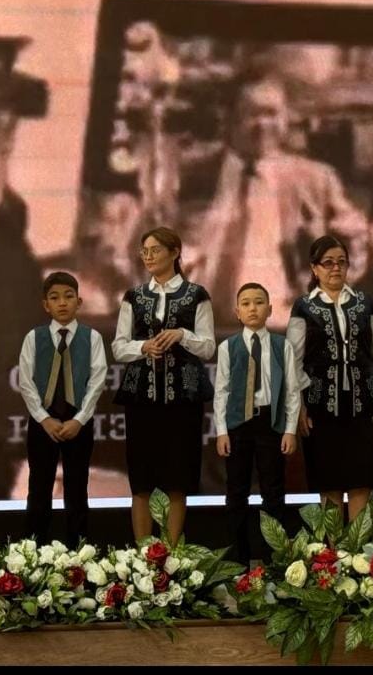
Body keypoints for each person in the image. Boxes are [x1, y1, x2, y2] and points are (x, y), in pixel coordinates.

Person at [189, 70, 367, 326]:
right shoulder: (194, 176)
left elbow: (356, 246)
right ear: (228, 119)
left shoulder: (316, 180)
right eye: (252, 114)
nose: (263, 125)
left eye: (272, 113)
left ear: (286, 118)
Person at [112, 227, 216, 542]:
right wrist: (143, 347)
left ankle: (171, 555)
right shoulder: (134, 296)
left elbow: (208, 347)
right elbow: (118, 347)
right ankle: (143, 554)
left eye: (155, 250)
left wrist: (182, 335)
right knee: (141, 481)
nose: (148, 256)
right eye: (144, 251)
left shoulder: (196, 294)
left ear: (175, 252)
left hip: (183, 400)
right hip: (141, 399)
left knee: (177, 480)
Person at [286, 235, 373, 521]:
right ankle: (333, 548)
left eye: (341, 262)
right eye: (328, 263)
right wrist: (299, 405)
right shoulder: (303, 306)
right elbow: (293, 360)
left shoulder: (364, 303)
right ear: (314, 268)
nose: (335, 268)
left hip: (364, 403)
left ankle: (358, 546)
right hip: (320, 406)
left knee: (361, 481)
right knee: (329, 482)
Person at [213, 282, 302, 566]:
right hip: (238, 424)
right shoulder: (227, 347)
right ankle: (237, 563)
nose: (253, 308)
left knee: (273, 492)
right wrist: (222, 431)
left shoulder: (281, 345)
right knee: (236, 492)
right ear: (237, 312)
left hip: (270, 423)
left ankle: (273, 561)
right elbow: (221, 391)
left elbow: (292, 391)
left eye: (259, 302)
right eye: (246, 303)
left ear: (270, 309)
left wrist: (290, 430)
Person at [17, 271, 107, 546]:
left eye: (68, 297)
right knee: (39, 488)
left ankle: (78, 552)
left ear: (79, 302)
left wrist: (79, 419)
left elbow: (97, 381)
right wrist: (43, 419)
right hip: (42, 422)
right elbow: (25, 381)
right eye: (55, 298)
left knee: (77, 488)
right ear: (46, 305)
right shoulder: (34, 338)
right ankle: (33, 551)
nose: (62, 303)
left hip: (78, 421)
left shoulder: (92, 338)